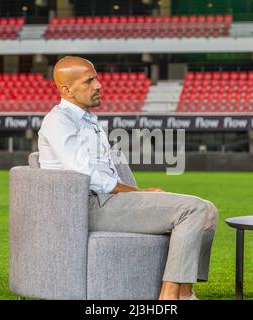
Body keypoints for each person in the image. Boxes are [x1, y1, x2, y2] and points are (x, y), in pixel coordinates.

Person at [38, 56, 218, 300]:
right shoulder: (58, 121)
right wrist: (138, 193)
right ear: (67, 90)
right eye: (89, 81)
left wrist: (138, 193)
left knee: (208, 210)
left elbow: (104, 174)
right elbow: (84, 176)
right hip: (83, 207)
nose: (99, 85)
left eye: (97, 78)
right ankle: (170, 296)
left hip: (105, 202)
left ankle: (186, 291)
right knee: (193, 208)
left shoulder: (89, 121)